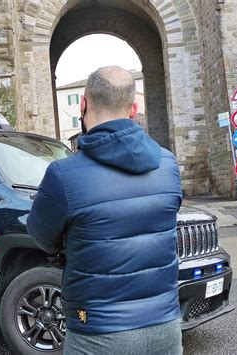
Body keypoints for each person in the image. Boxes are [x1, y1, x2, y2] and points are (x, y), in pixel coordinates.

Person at [27, 66, 183, 354]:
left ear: (83, 104)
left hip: (97, 329)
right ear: (134, 109)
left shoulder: (64, 174)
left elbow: (40, 235)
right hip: (165, 324)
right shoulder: (168, 164)